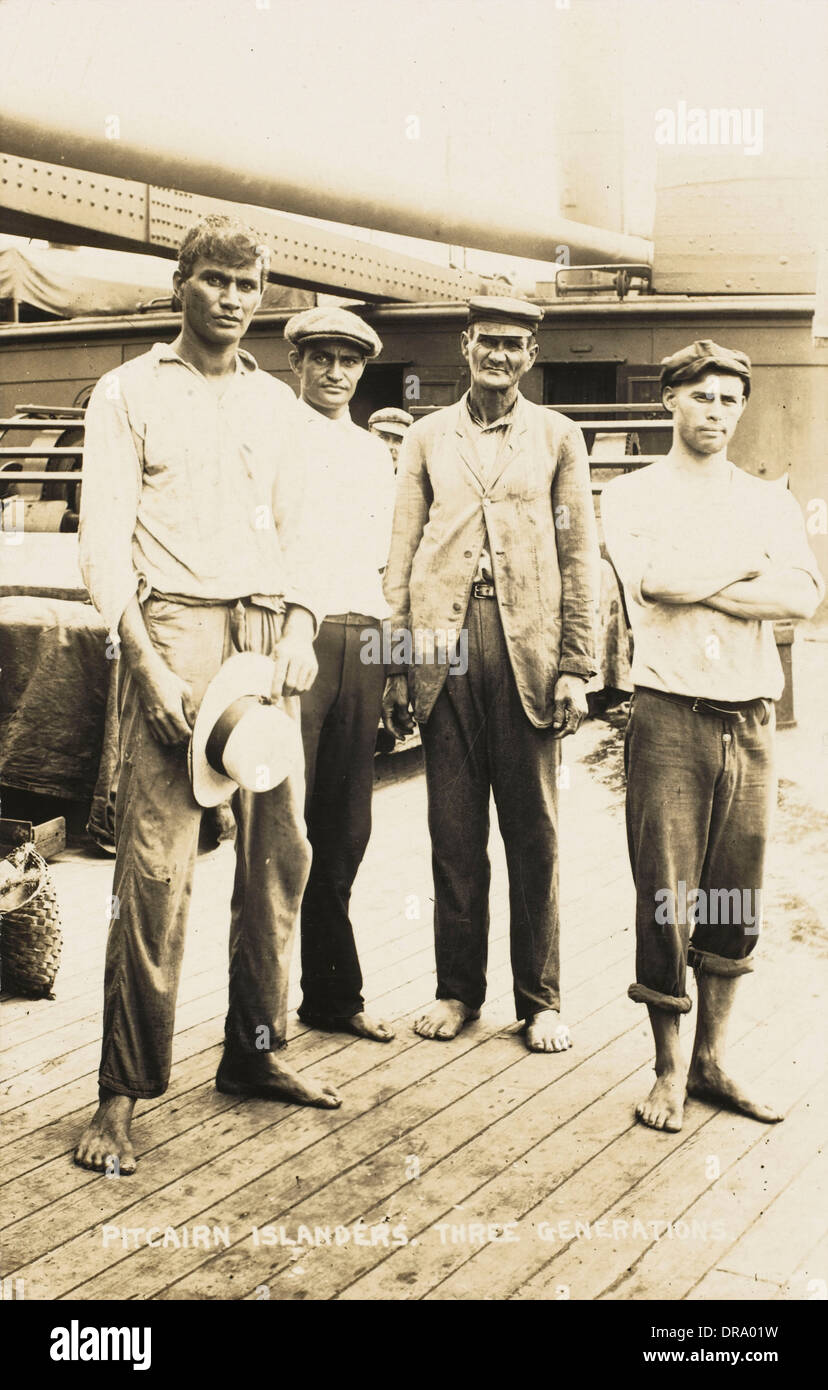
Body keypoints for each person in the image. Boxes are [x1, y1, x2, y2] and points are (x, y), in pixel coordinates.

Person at [75, 215, 341, 1176]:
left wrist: (304, 626)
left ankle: (257, 1051)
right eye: (218, 279)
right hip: (175, 632)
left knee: (283, 855)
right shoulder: (127, 391)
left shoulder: (278, 409)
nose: (235, 299)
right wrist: (143, 661)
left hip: (266, 637)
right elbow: (104, 542)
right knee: (155, 870)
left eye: (251, 283)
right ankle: (121, 1093)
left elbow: (310, 535)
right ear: (180, 281)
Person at [601, 339, 824, 1133]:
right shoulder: (631, 496)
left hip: (751, 718)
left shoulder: (766, 500)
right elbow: (652, 584)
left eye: (731, 399)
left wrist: (714, 580)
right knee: (667, 896)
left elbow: (803, 597)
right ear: (670, 401)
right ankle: (665, 1069)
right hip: (670, 717)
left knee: (734, 896)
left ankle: (713, 1060)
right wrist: (746, 576)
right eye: (702, 397)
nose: (718, 413)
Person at [382, 296, 600, 1052]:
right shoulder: (425, 436)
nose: (499, 356)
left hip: (528, 651)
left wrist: (575, 666)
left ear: (531, 353)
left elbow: (579, 560)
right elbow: (402, 555)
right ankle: (457, 991)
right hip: (446, 650)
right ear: (465, 344)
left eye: (514, 345)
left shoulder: (560, 438)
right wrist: (400, 663)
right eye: (487, 343)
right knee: (453, 832)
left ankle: (540, 1000)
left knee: (534, 835)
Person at [285, 307, 397, 1042]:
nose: (334, 372)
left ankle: (331, 997)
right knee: (278, 830)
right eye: (321, 358)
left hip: (362, 640)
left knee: (345, 827)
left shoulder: (372, 455)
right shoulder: (272, 437)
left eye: (348, 361)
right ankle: (257, 1014)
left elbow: (382, 559)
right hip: (297, 640)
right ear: (297, 362)